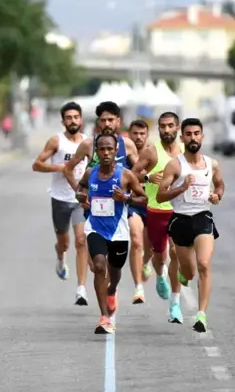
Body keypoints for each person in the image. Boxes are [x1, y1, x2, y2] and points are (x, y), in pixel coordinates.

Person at [75, 133, 147, 334]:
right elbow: (80, 189)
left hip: (119, 233)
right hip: (95, 227)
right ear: (97, 151)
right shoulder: (90, 173)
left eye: (110, 149)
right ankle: (105, 317)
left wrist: (126, 198)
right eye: (102, 149)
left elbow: (144, 199)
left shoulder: (126, 175)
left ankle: (112, 290)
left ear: (116, 151)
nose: (106, 152)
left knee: (114, 274)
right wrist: (81, 196)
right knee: (98, 266)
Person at [157, 118, 224, 333]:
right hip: (180, 220)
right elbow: (160, 196)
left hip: (203, 217)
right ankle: (182, 274)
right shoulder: (175, 165)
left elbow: (220, 185)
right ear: (182, 137)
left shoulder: (211, 164)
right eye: (188, 134)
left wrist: (217, 196)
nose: (193, 137)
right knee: (190, 271)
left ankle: (201, 315)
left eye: (196, 133)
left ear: (202, 136)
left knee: (204, 264)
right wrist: (181, 187)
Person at [32, 101, 89, 305]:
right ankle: (60, 256)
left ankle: (81, 288)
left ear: (81, 119)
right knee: (64, 242)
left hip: (80, 198)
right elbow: (37, 165)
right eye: (68, 118)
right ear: (63, 121)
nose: (73, 121)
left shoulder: (88, 143)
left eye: (76, 117)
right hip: (60, 199)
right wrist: (59, 168)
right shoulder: (56, 141)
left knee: (81, 240)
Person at [132, 112, 184, 323]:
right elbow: (131, 174)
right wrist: (147, 177)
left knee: (176, 253)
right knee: (160, 255)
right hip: (156, 210)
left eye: (170, 125)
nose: (166, 130)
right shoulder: (151, 153)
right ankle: (160, 274)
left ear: (177, 127)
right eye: (162, 126)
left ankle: (175, 303)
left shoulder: (184, 152)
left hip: (179, 211)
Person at [125, 120, 153, 304]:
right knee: (136, 239)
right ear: (129, 134)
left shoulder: (153, 153)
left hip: (151, 204)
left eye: (142, 133)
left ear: (147, 135)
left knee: (150, 246)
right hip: (133, 202)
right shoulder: (123, 153)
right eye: (135, 133)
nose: (138, 137)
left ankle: (144, 262)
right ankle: (138, 288)